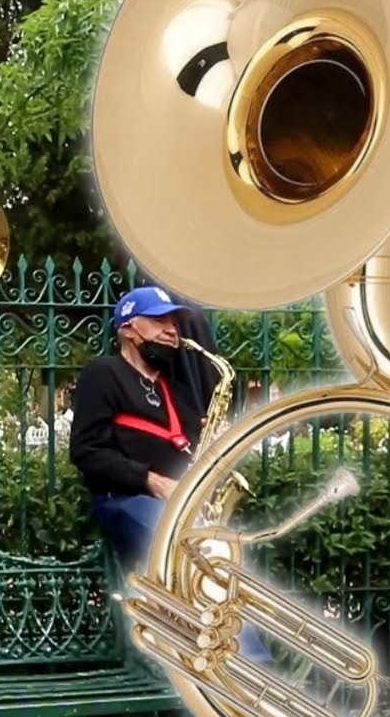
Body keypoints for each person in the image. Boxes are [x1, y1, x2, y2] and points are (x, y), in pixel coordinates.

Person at [68, 284, 271, 663]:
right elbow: (85, 451)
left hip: (177, 506)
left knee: (222, 564)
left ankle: (226, 661)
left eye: (174, 323)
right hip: (126, 501)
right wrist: (152, 480)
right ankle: (249, 664)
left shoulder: (174, 388)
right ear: (128, 327)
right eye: (159, 320)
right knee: (201, 557)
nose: (171, 330)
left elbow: (192, 446)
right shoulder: (103, 374)